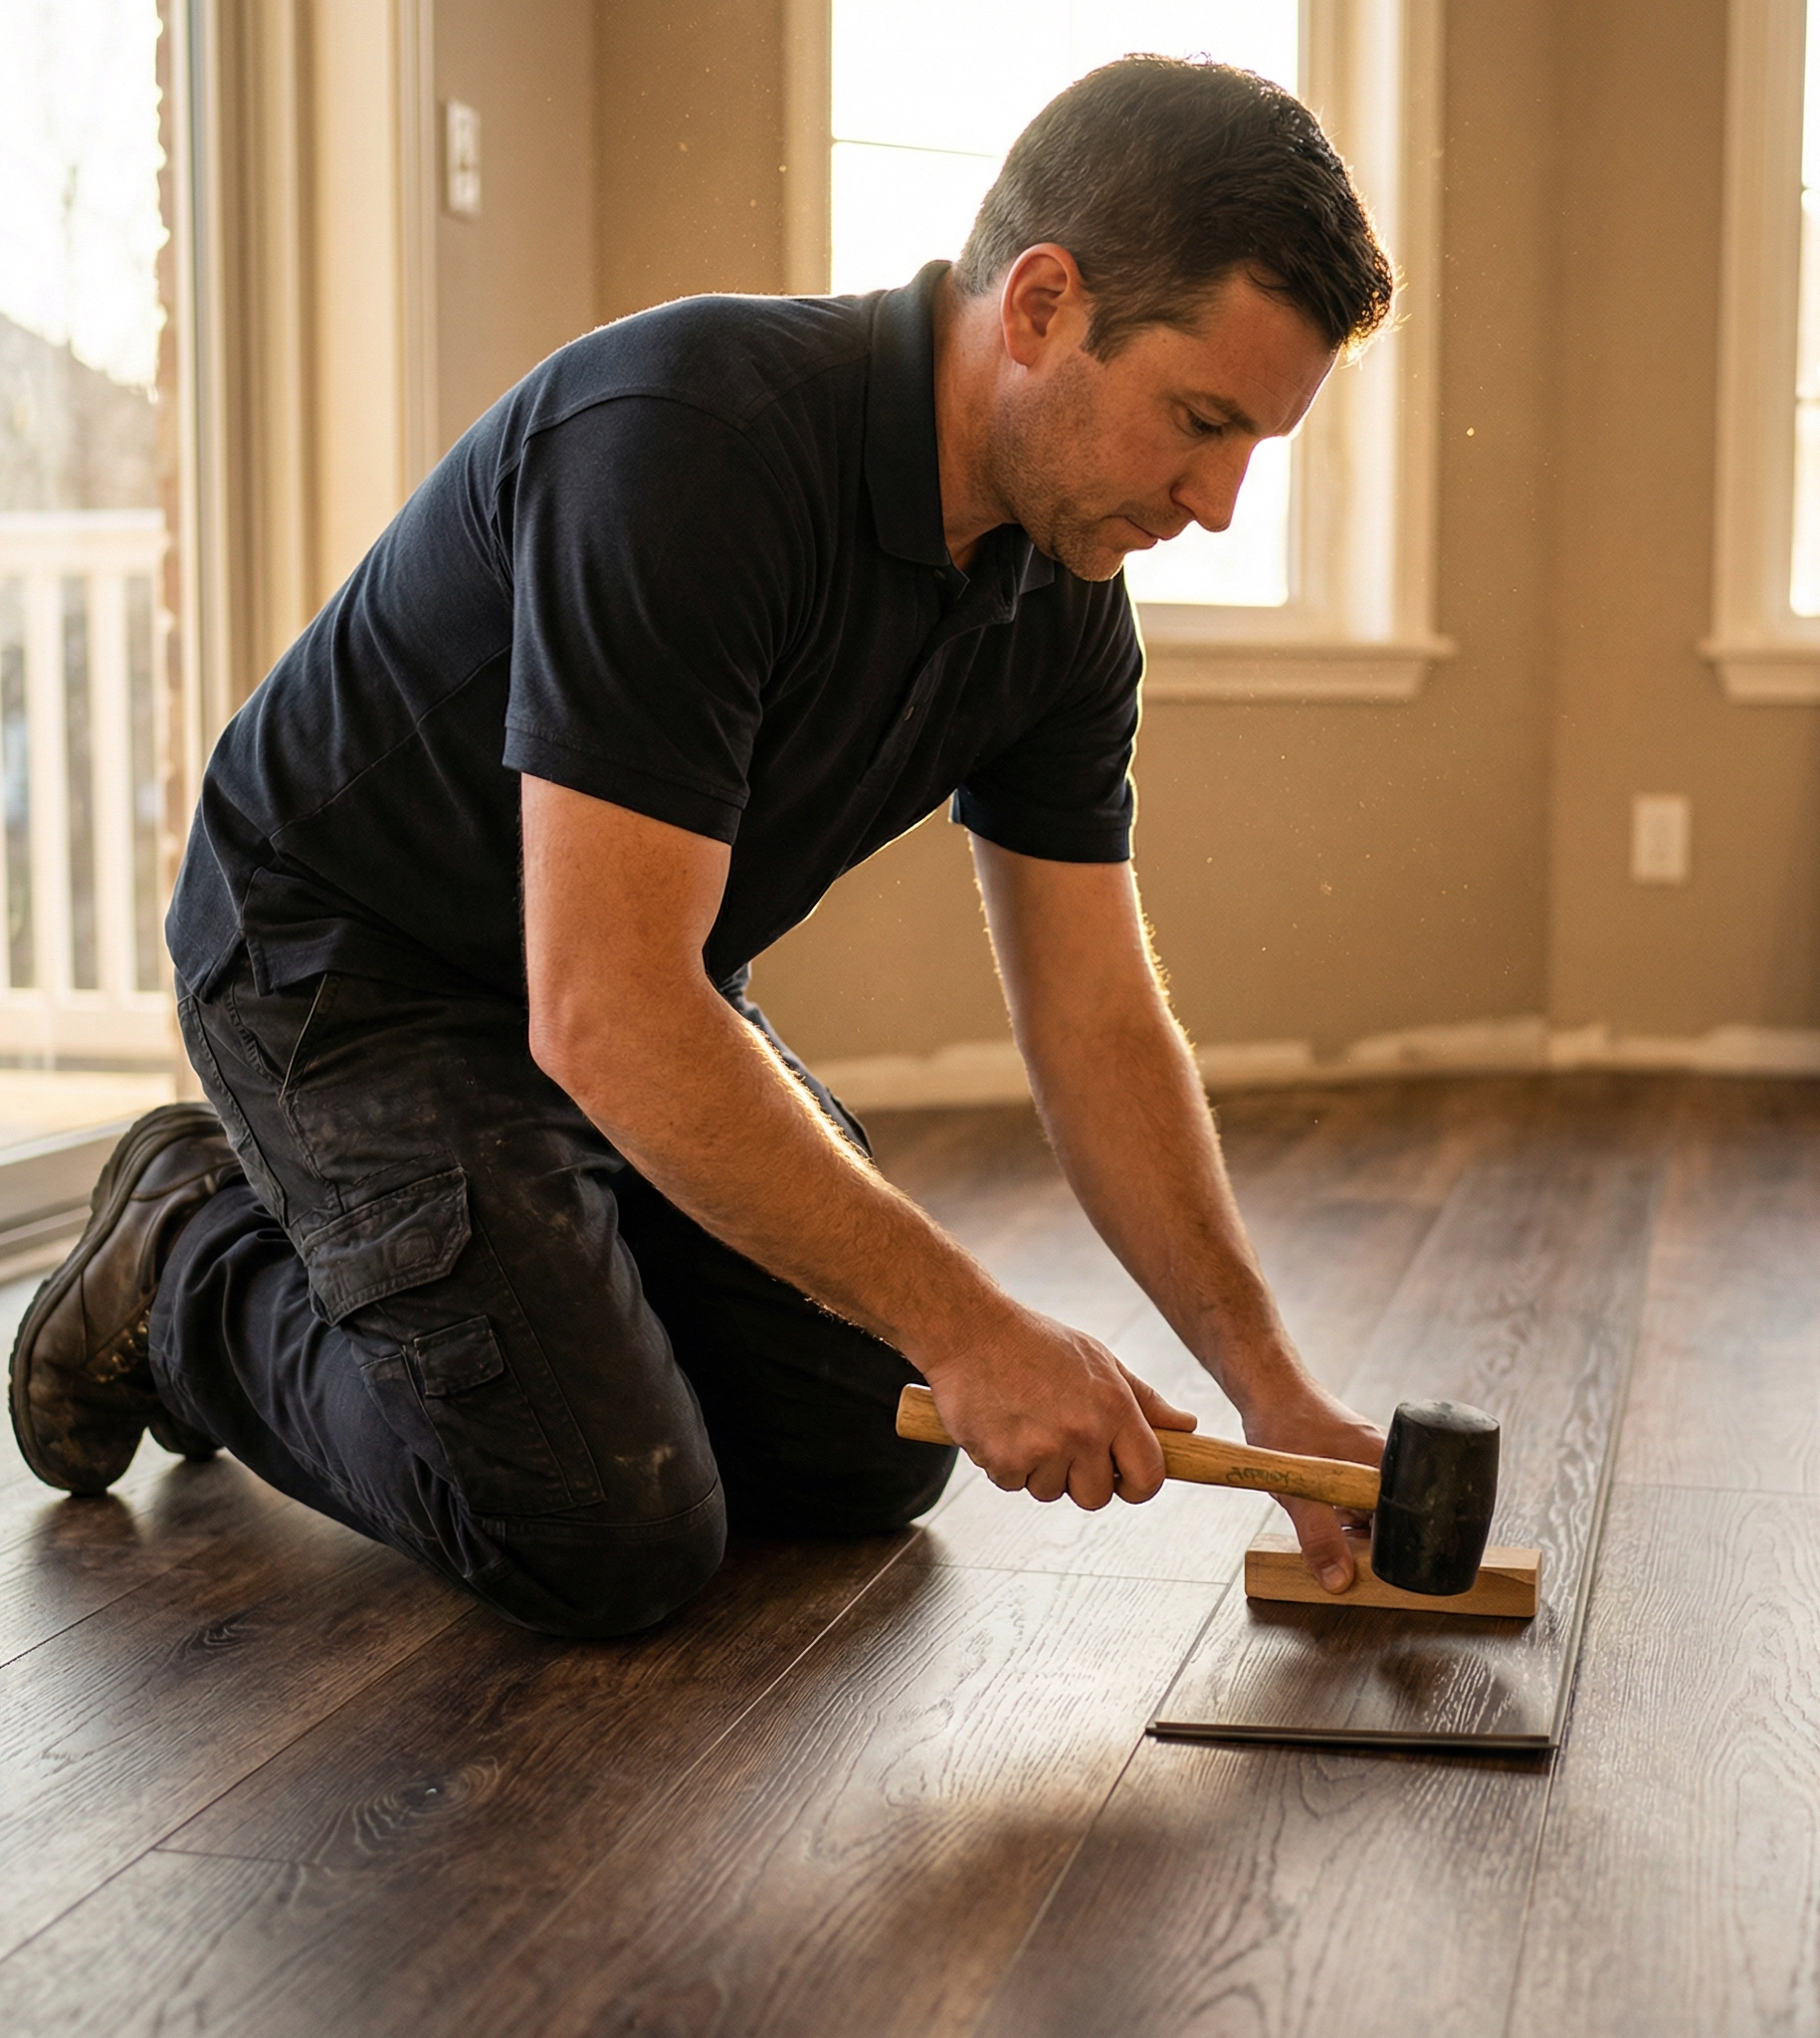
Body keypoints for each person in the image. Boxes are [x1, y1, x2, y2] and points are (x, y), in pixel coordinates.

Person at [9, 56, 1396, 1638]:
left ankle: (534, 1254)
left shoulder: (1061, 599)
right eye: (1201, 422)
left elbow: (1091, 1014)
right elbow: (606, 1009)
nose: (1215, 501)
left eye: (1251, 451)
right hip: (342, 962)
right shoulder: (690, 448)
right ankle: (185, 1248)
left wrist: (1271, 1387)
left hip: (614, 983)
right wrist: (977, 1323)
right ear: (1039, 305)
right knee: (605, 1525)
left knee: (867, 1440)